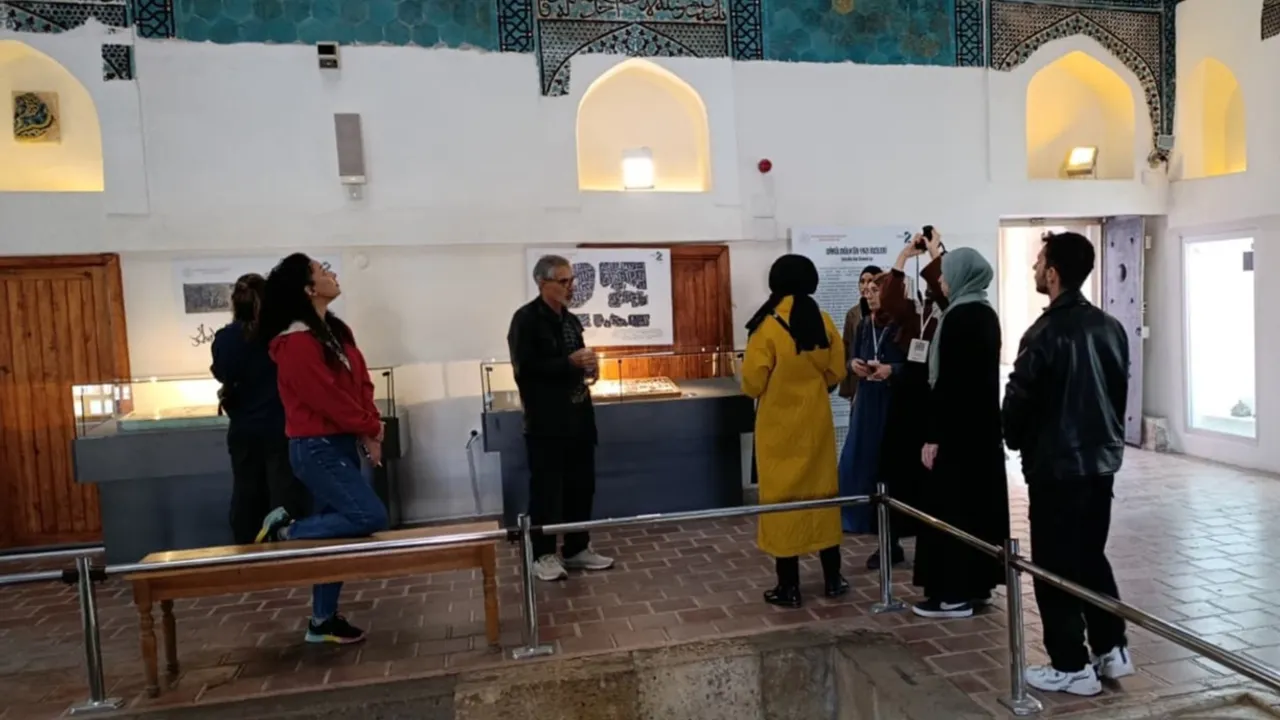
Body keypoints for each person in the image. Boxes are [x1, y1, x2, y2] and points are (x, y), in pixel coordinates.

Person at [1003, 232, 1133, 696]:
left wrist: (1013, 436)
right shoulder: (1111, 327)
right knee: (1090, 556)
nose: (1034, 269)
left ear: (1054, 273)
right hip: (1101, 463)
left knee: (1054, 565)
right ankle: (1111, 648)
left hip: (1057, 467)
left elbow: (1019, 400)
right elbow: (1117, 394)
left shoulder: (1043, 333)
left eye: (1039, 262)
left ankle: (1070, 665)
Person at [255, 253, 390, 645]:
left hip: (339, 442)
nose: (331, 273)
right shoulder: (295, 341)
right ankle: (286, 531)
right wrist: (368, 426)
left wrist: (371, 427)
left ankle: (322, 621)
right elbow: (324, 397)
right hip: (315, 447)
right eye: (321, 270)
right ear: (308, 289)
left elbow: (360, 382)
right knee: (369, 515)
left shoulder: (333, 330)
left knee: (335, 535)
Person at [742, 254, 848, 608]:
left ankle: (789, 587)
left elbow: (753, 384)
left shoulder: (767, 325)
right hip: (816, 425)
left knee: (782, 502)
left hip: (778, 430)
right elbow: (836, 372)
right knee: (823, 496)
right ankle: (833, 579)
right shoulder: (823, 320)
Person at [912, 247, 1010, 618]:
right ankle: (977, 585)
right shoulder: (984, 312)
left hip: (955, 433)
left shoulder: (959, 317)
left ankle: (952, 594)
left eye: (945, 272)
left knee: (950, 509)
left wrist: (933, 434)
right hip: (981, 431)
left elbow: (950, 383)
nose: (940, 279)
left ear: (962, 275)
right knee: (977, 508)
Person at [507, 255, 614, 583]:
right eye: (563, 281)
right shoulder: (525, 320)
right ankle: (541, 554)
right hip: (546, 422)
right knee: (547, 491)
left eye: (572, 280)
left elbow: (577, 362)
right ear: (543, 283)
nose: (571, 287)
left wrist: (589, 366)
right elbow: (525, 370)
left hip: (579, 417)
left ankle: (576, 547)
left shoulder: (571, 321)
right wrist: (568, 363)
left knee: (581, 487)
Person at [210, 273, 310, 545]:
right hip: (280, 424)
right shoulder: (279, 336)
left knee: (246, 493)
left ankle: (246, 550)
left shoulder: (225, 339)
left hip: (243, 427)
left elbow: (221, 373)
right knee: (283, 493)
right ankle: (285, 547)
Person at [869, 231, 947, 569]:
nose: (932, 286)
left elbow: (948, 285)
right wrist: (903, 257)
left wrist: (934, 252)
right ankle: (891, 542)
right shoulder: (916, 312)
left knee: (929, 477)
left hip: (931, 402)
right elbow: (889, 300)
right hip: (905, 402)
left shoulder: (949, 312)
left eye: (937, 281)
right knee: (891, 470)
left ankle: (932, 544)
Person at [837, 271, 904, 534]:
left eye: (875, 290)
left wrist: (892, 369)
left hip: (891, 398)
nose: (869, 295)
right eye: (866, 291)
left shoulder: (902, 323)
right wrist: (853, 364)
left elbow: (914, 365)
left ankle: (887, 523)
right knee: (857, 457)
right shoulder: (864, 324)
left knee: (884, 458)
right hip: (866, 397)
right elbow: (852, 355)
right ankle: (856, 516)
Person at [836, 265, 880, 402]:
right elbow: (846, 347)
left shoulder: (889, 312)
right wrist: (850, 366)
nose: (865, 286)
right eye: (862, 281)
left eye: (870, 281)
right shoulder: (852, 314)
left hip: (882, 377)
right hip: (859, 378)